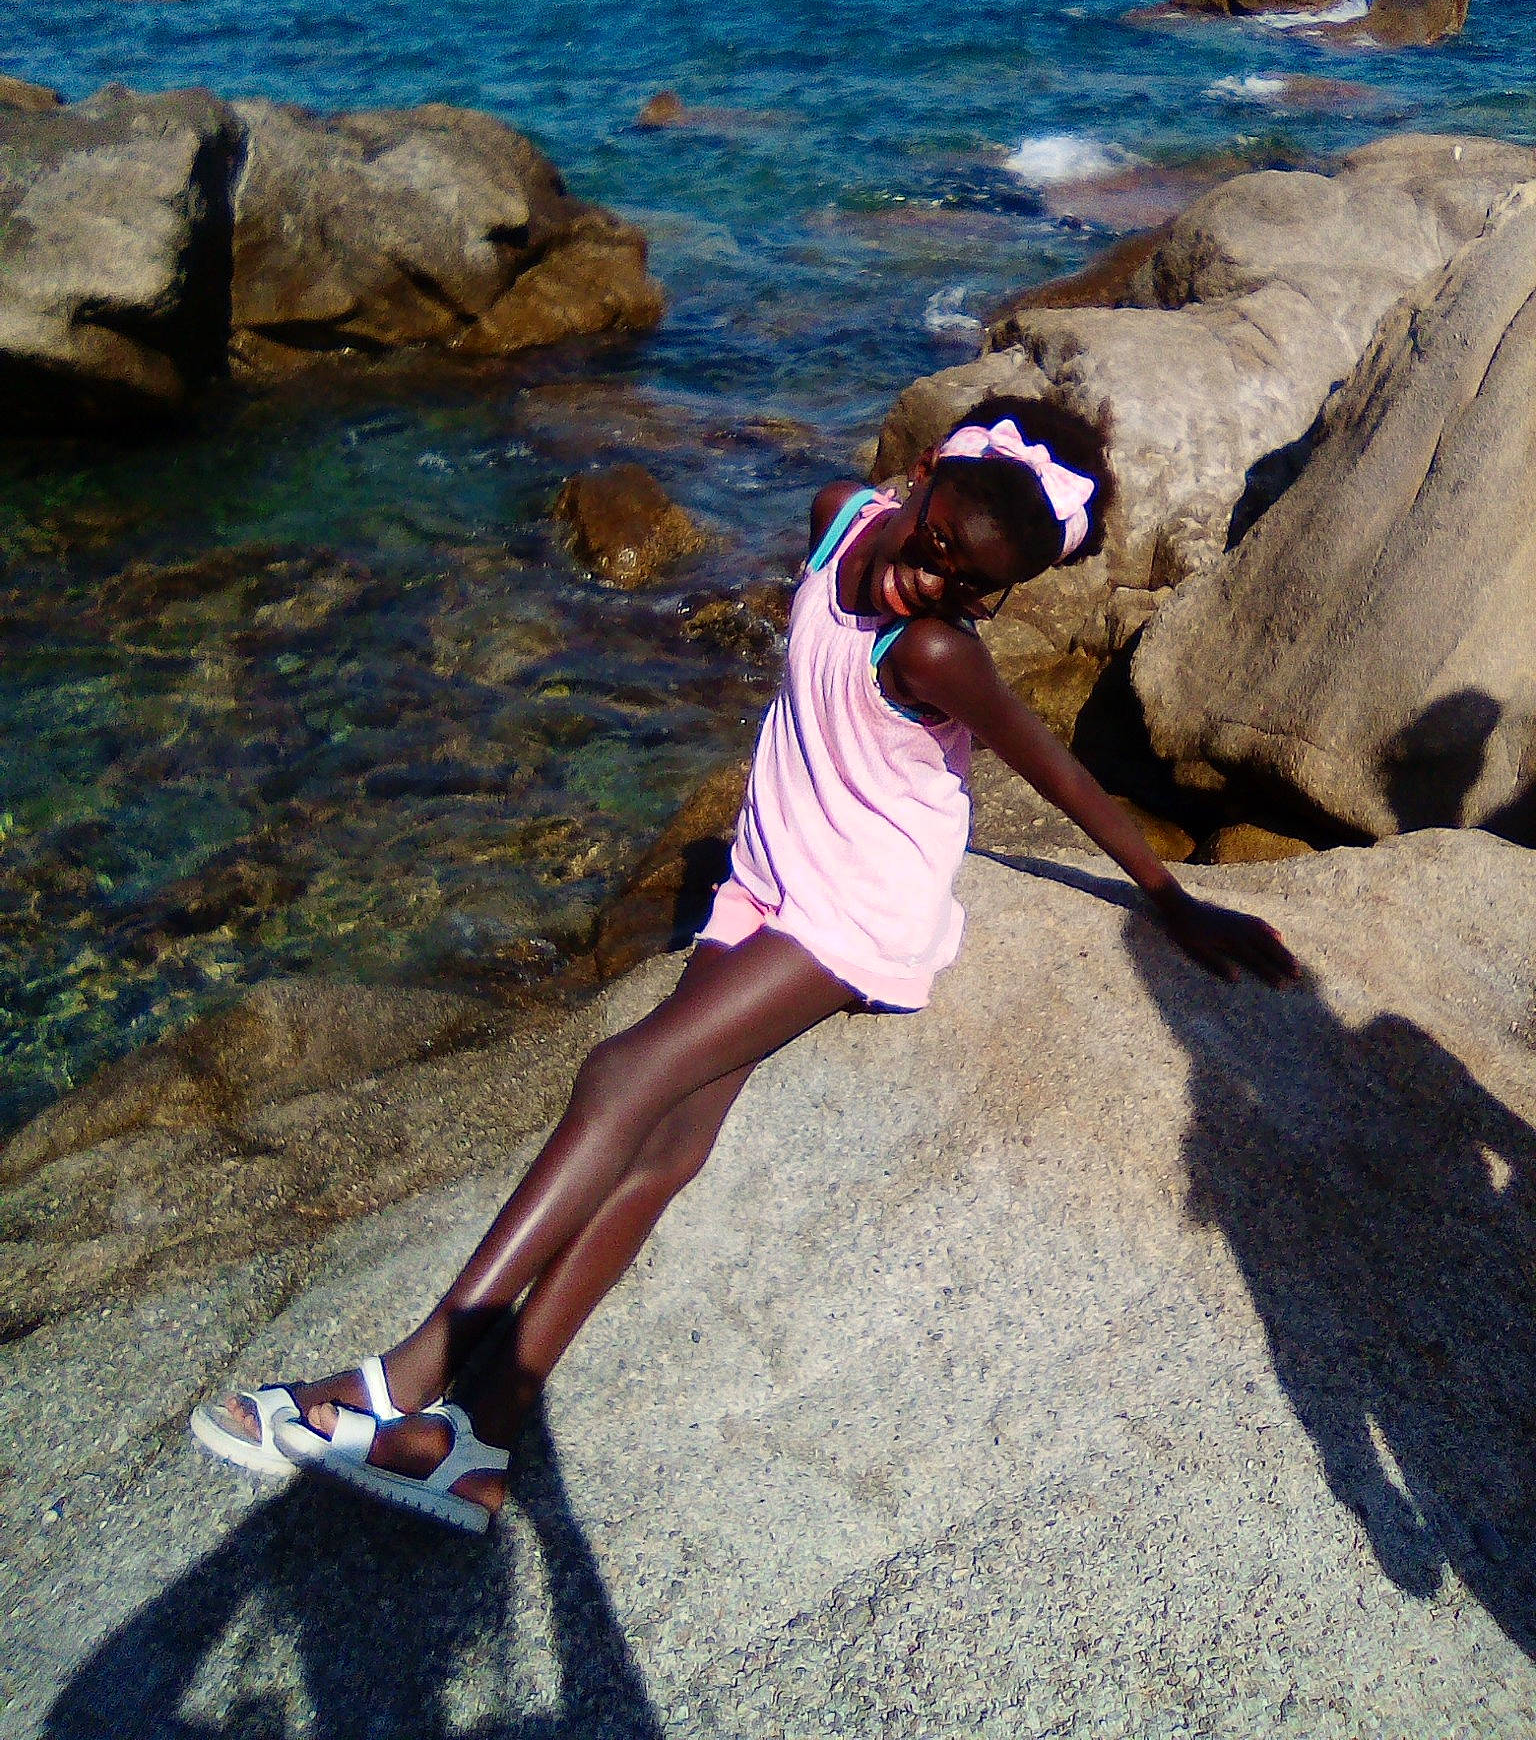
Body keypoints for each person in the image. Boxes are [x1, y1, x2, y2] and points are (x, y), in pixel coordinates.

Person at [191, 395, 1298, 1533]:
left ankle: (407, 1375)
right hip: (771, 865)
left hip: (855, 902)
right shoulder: (836, 516)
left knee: (621, 1075)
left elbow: (1053, 767)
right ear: (922, 474)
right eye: (935, 549)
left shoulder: (931, 648)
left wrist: (1170, 900)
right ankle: (477, 1440)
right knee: (665, 1142)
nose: (935, 585)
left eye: (975, 588)